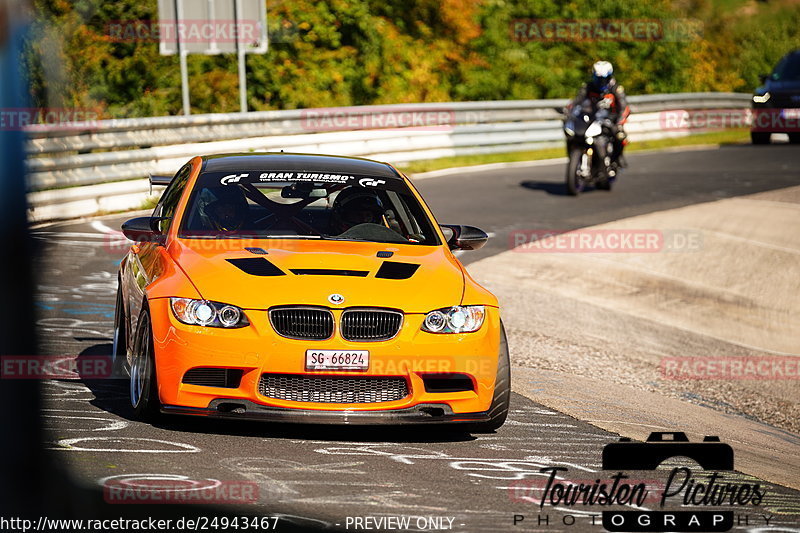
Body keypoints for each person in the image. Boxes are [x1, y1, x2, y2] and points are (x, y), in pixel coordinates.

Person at [568, 60, 630, 171]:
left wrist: (619, 122)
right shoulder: (588, 87)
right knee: (572, 135)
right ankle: (575, 157)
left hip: (611, 119)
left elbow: (624, 107)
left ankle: (617, 158)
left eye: (603, 79)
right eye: (598, 78)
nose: (600, 82)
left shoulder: (616, 89)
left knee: (620, 136)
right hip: (592, 118)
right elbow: (577, 101)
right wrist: (569, 110)